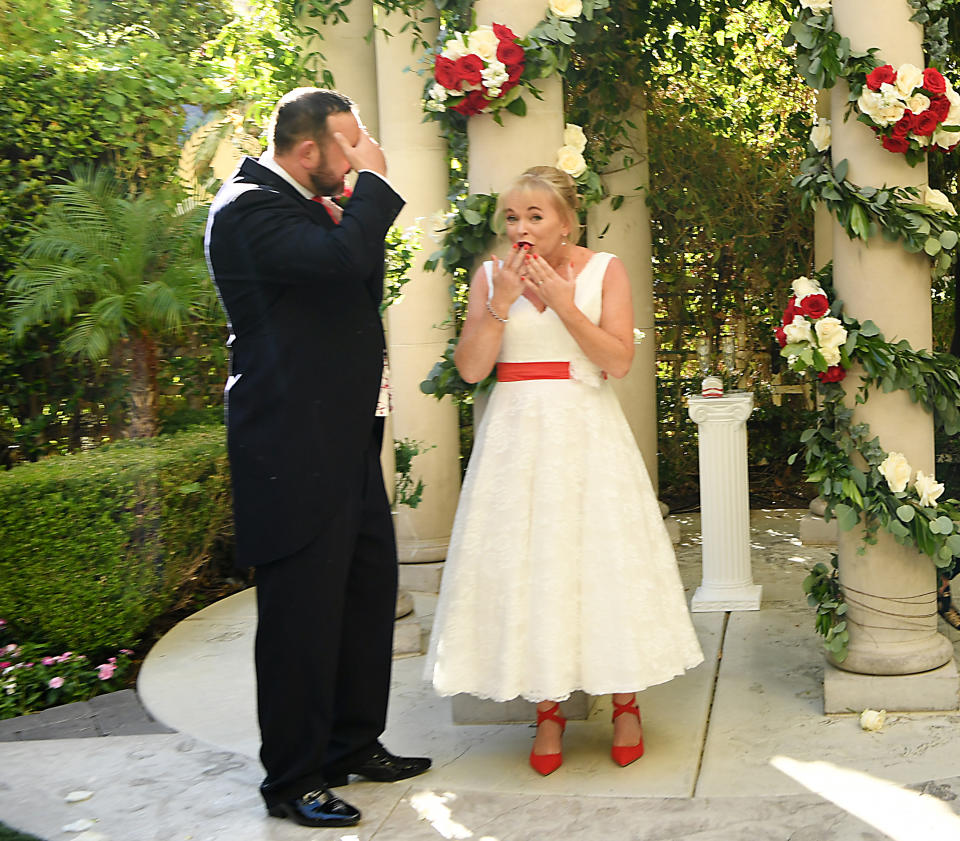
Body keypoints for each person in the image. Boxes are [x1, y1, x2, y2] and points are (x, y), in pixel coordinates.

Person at [424, 165, 704, 775]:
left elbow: (619, 360)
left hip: (585, 431)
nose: (521, 228)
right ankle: (547, 710)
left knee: (598, 558)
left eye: (535, 216)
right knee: (531, 565)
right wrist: (498, 305)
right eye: (512, 218)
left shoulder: (605, 270)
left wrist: (561, 302)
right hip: (514, 438)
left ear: (566, 221)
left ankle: (626, 703)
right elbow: (472, 370)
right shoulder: (490, 276)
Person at [204, 88, 430, 829]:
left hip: (345, 438)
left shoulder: (306, 202)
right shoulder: (246, 207)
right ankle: (293, 779)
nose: (362, 153)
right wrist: (374, 186)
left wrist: (352, 202)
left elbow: (352, 281)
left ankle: (352, 742)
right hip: (291, 449)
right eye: (352, 144)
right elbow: (343, 261)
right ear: (311, 151)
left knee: (365, 592)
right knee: (301, 618)